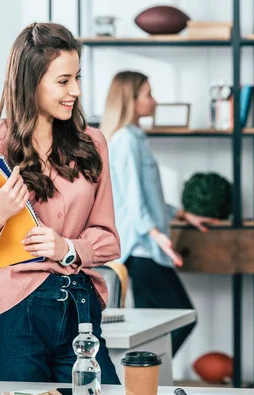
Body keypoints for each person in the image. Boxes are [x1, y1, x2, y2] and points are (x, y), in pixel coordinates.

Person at [0, 22, 121, 383]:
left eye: (77, 78)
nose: (76, 90)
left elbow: (108, 239)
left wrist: (67, 247)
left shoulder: (93, 143)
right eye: (63, 81)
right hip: (13, 321)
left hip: (80, 314)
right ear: (31, 80)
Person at [100, 71, 216, 356]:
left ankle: (143, 384)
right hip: (141, 250)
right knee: (182, 318)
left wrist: (184, 215)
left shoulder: (135, 139)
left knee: (152, 329)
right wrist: (157, 235)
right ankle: (140, 378)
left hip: (148, 248)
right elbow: (133, 199)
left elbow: (148, 198)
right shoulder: (126, 140)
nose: (154, 100)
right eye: (148, 94)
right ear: (131, 99)